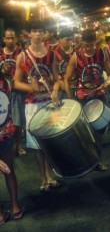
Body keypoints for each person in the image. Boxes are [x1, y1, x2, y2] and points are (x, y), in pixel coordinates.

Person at [14, 20, 61, 192]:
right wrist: (30, 88)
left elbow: (57, 79)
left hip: (49, 102)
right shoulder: (23, 56)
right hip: (32, 105)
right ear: (29, 33)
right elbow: (16, 83)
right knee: (36, 144)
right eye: (34, 30)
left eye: (41, 30)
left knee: (50, 141)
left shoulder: (52, 54)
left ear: (45, 33)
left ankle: (50, 176)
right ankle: (43, 178)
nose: (38, 34)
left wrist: (55, 90)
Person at [64, 28, 110, 171]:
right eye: (86, 45)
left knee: (99, 131)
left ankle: (97, 161)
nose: (89, 48)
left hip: (98, 96)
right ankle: (86, 161)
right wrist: (71, 99)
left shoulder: (101, 53)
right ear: (81, 42)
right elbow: (66, 79)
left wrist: (108, 81)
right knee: (85, 132)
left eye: (91, 45)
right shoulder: (75, 57)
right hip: (83, 98)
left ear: (95, 42)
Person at [0, 69, 24, 223]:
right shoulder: (7, 82)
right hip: (5, 132)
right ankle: (15, 207)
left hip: (5, 133)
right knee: (9, 170)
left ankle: (1, 214)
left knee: (8, 170)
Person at [0, 28, 26, 157]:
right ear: (3, 39)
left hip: (17, 92)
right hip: (2, 93)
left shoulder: (22, 54)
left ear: (16, 38)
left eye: (13, 37)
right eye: (8, 38)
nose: (10, 40)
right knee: (3, 120)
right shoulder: (0, 54)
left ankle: (18, 145)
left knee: (17, 120)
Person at [54, 28, 75, 99]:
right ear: (60, 39)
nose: (70, 42)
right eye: (67, 40)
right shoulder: (54, 53)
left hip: (77, 86)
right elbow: (51, 71)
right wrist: (59, 81)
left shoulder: (76, 52)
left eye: (71, 39)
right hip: (62, 88)